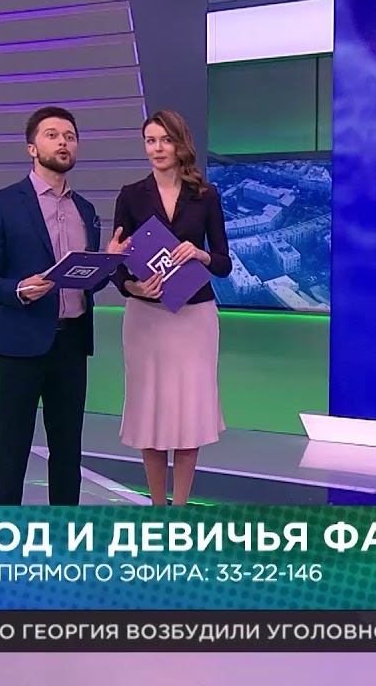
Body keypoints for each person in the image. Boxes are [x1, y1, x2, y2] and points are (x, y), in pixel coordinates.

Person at [0, 106, 125, 504]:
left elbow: (87, 282)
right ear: (32, 147)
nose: (63, 143)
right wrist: (19, 289)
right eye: (53, 135)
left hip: (71, 344)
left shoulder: (85, 210)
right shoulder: (4, 203)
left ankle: (63, 531)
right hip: (20, 342)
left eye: (70, 137)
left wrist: (108, 262)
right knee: (11, 450)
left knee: (68, 450)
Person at [110, 110, 231, 506]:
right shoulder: (130, 195)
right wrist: (132, 286)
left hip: (194, 317)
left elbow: (223, 262)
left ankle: (179, 510)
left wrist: (199, 254)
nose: (157, 148)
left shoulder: (206, 196)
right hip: (146, 318)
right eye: (150, 140)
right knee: (151, 411)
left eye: (165, 140)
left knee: (188, 414)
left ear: (181, 145)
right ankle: (156, 507)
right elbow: (116, 262)